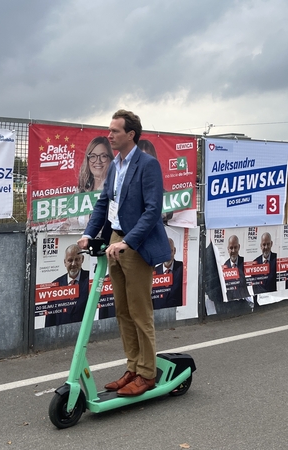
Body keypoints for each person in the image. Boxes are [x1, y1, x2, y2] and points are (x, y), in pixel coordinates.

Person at [78, 109, 170, 397]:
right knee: (122, 311)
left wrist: (127, 242)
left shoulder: (148, 165)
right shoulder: (115, 166)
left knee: (140, 311)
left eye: (115, 131)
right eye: (110, 130)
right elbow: (103, 204)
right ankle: (133, 366)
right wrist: (88, 233)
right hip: (114, 242)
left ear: (130, 134)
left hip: (135, 244)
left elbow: (153, 211)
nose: (110, 135)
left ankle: (147, 373)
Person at [45, 244, 90, 327]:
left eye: (77, 259)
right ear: (65, 262)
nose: (73, 264)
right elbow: (50, 320)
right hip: (62, 337)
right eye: (70, 260)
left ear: (82, 259)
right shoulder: (55, 286)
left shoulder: (91, 280)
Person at [153, 237, 184, 309]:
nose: (167, 255)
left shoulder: (182, 268)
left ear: (174, 251)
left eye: (170, 251)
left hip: (178, 312)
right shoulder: (154, 271)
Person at [223, 234, 250, 300]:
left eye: (235, 247)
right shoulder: (224, 266)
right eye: (231, 248)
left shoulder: (245, 262)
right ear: (228, 249)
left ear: (239, 247)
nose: (233, 251)